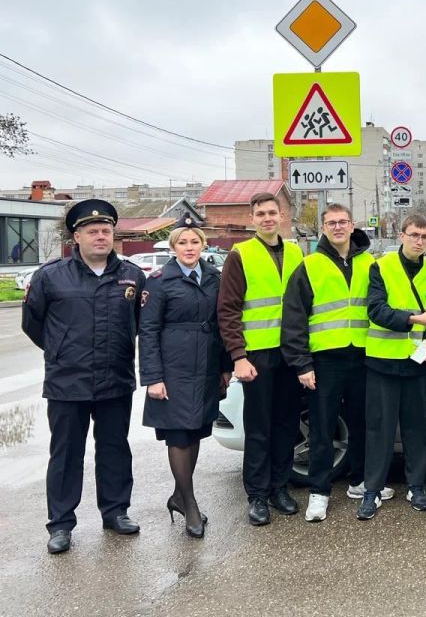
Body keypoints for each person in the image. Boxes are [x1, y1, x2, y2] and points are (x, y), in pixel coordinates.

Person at [22, 199, 146, 554]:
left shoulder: (132, 276)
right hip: (67, 383)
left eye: (106, 231)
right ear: (76, 236)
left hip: (115, 379)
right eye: (92, 231)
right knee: (65, 455)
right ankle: (60, 524)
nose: (100, 237)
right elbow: (33, 323)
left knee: (114, 450)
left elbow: (141, 325)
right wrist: (60, 350)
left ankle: (116, 511)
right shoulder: (50, 276)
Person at [281, 204, 394, 523]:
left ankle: (359, 482)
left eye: (343, 221)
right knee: (322, 427)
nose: (338, 227)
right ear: (323, 227)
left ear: (352, 224)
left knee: (361, 424)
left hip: (362, 356)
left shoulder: (370, 262)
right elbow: (294, 318)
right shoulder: (310, 265)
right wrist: (302, 364)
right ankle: (319, 492)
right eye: (331, 223)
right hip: (324, 360)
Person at [138, 215, 232, 539]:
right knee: (178, 435)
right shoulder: (160, 280)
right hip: (172, 368)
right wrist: (153, 377)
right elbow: (147, 330)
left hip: (205, 364)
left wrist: (225, 366)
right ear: (173, 246)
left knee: (194, 433)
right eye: (183, 242)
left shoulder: (213, 277)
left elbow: (222, 324)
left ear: (203, 244)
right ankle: (189, 503)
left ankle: (179, 496)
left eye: (195, 241)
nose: (189, 247)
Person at [218, 192, 304, 526]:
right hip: (256, 356)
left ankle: (280, 487)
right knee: (258, 428)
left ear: (282, 216)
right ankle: (257, 495)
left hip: (291, 353)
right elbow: (227, 309)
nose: (267, 218)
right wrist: (238, 355)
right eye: (260, 214)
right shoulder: (241, 254)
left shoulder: (296, 252)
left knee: (286, 424)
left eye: (272, 212)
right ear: (252, 219)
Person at [357, 214, 426, 520]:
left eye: (425, 236)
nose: (420, 241)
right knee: (379, 430)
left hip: (418, 362)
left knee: (417, 429)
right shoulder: (381, 266)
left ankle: (416, 486)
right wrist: (415, 319)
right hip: (383, 362)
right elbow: (376, 310)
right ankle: (372, 491)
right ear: (401, 235)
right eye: (414, 235)